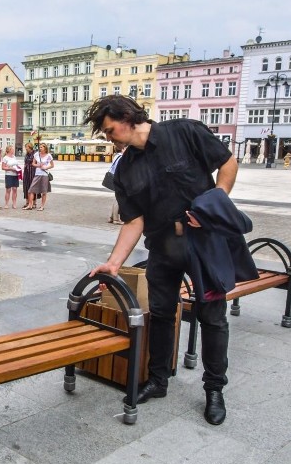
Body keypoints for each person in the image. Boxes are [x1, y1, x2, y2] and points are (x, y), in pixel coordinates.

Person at [83, 95, 241, 426]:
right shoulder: (125, 169)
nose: (108, 138)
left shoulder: (184, 132)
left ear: (126, 117)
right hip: (163, 251)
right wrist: (114, 263)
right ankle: (158, 381)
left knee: (212, 319)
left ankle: (214, 390)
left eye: (110, 130)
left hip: (205, 245)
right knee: (161, 315)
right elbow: (133, 221)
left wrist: (214, 202)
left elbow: (227, 162)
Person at [24, 142, 54, 211]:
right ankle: (30, 205)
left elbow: (52, 165)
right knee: (31, 190)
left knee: (44, 191)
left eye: (41, 147)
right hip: (37, 174)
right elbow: (33, 163)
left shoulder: (48, 155)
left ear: (45, 148)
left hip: (44, 175)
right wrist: (38, 165)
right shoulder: (36, 154)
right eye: (39, 147)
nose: (40, 148)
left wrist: (46, 167)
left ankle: (42, 206)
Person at [1, 145, 21, 209]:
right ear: (9, 150)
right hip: (9, 175)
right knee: (8, 189)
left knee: (15, 189)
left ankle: (14, 203)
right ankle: (6, 204)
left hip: (15, 175)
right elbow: (3, 167)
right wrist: (11, 169)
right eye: (12, 149)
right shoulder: (5, 158)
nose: (13, 150)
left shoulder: (14, 157)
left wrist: (18, 168)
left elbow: (16, 165)